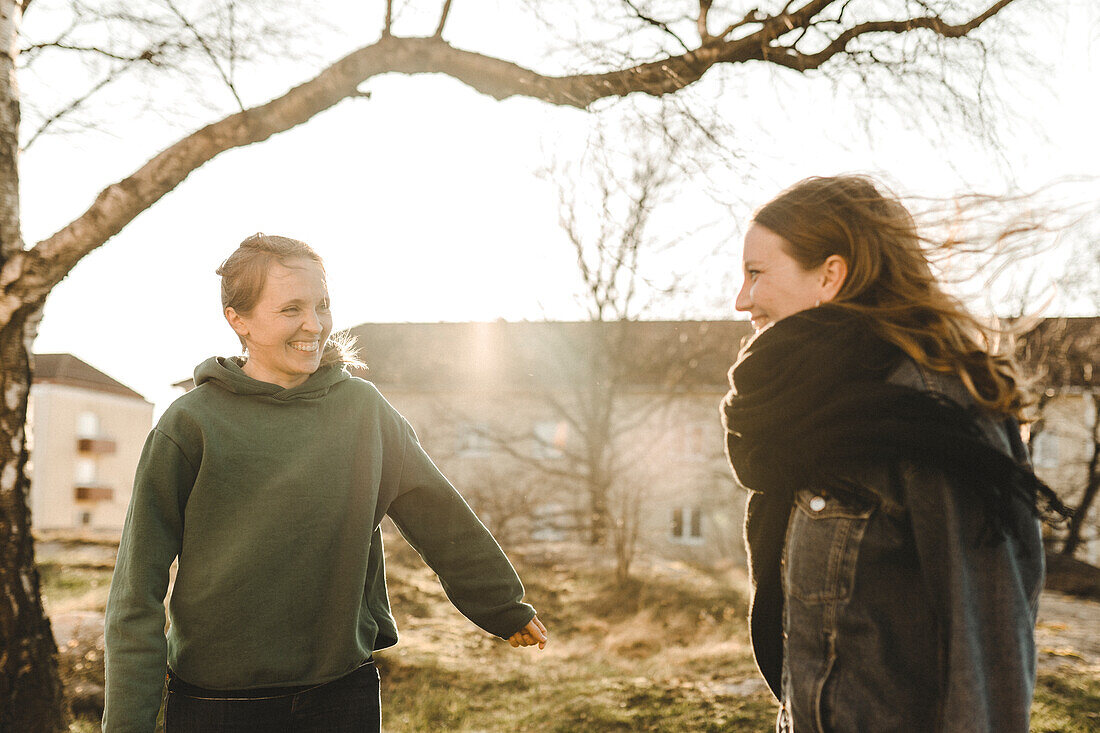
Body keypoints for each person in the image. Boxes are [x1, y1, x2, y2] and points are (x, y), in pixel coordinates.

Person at [103, 233, 547, 732]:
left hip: (342, 696)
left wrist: (502, 604)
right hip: (220, 706)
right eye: (291, 309)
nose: (314, 325)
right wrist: (127, 723)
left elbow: (438, 514)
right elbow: (136, 588)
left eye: (322, 305)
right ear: (238, 319)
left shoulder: (363, 410)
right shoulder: (190, 425)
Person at [720, 175, 1069, 732]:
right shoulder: (815, 413)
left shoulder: (932, 415)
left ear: (830, 275)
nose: (742, 300)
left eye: (756, 273)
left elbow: (986, 651)